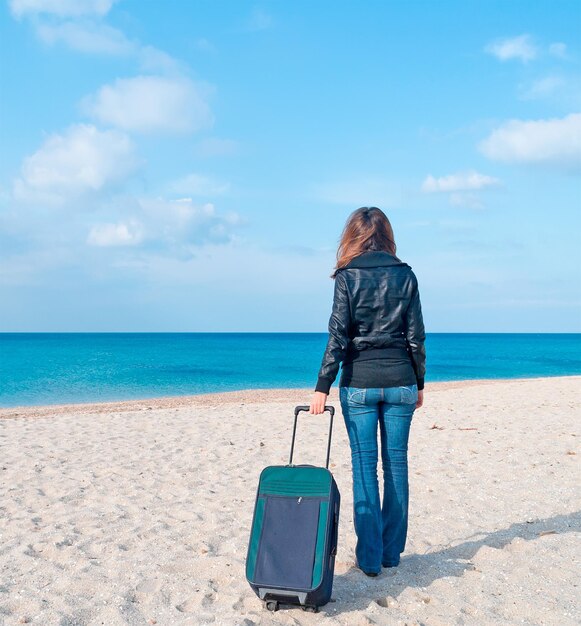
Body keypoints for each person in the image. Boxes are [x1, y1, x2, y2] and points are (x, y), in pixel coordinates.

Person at [309, 206, 426, 577]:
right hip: (400, 381)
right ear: (387, 235)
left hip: (358, 383)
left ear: (353, 236)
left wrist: (322, 387)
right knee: (396, 465)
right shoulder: (405, 275)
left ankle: (371, 558)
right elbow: (415, 337)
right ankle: (391, 554)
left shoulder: (347, 276)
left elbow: (338, 335)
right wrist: (419, 382)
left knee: (364, 466)